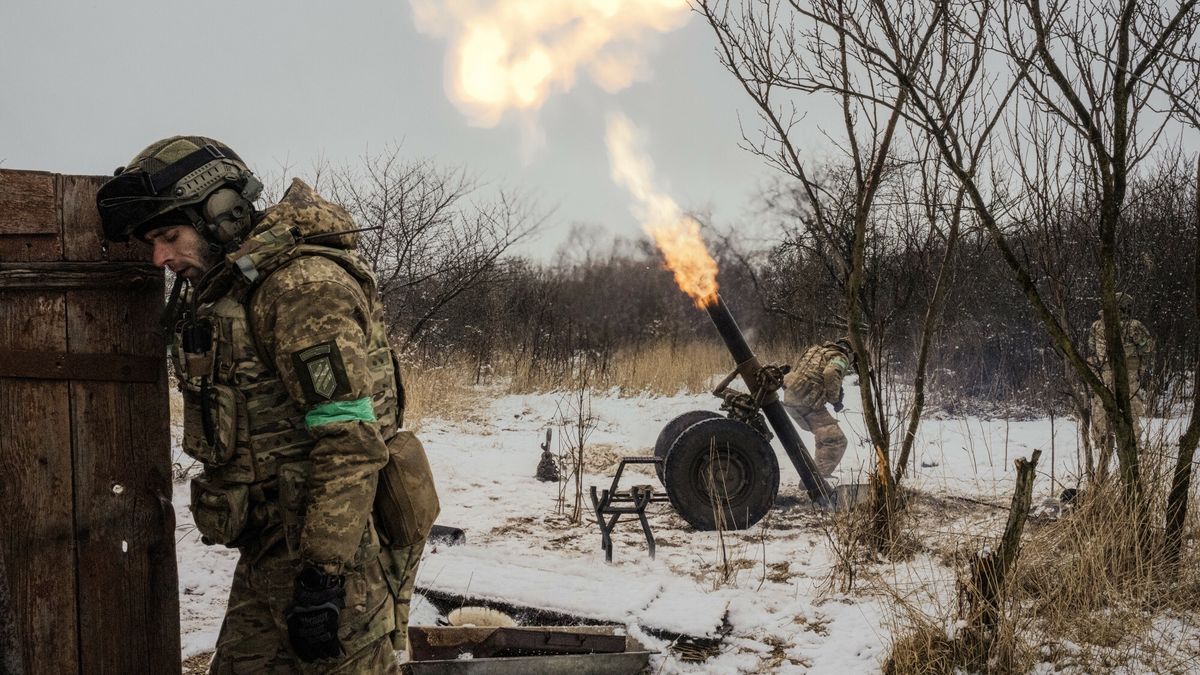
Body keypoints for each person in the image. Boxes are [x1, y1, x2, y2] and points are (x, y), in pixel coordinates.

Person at [97, 136, 434, 673]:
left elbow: (348, 438)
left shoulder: (301, 289)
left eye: (168, 236)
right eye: (151, 244)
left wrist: (324, 577)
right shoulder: (242, 285)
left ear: (221, 214)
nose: (160, 258)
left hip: (336, 552)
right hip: (273, 548)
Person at [1087, 291, 1155, 461]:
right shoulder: (1133, 326)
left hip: (1103, 372)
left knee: (1101, 406)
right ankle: (1133, 443)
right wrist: (1134, 349)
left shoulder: (1097, 325)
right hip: (1127, 373)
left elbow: (1091, 346)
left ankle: (1101, 441)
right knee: (1131, 407)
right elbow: (1148, 346)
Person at [781, 337, 855, 478]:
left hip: (791, 396)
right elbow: (830, 373)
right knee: (836, 440)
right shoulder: (840, 356)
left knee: (823, 436)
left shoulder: (814, 350)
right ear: (848, 351)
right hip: (808, 401)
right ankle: (819, 480)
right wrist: (835, 400)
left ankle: (814, 474)